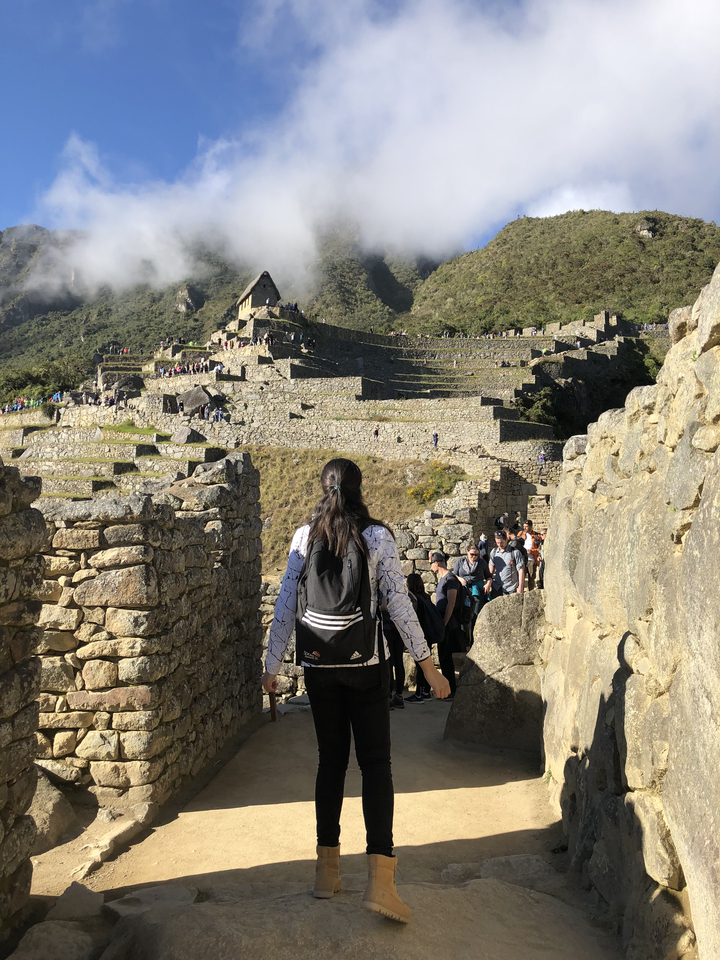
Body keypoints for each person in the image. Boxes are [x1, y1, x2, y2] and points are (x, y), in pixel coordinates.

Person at [262, 459, 449, 923]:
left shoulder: (303, 538)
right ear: (361, 489)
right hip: (366, 665)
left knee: (330, 763)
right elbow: (399, 605)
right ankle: (381, 884)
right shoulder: (377, 538)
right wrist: (428, 667)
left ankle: (327, 874)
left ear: (322, 489)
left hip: (318, 666)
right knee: (375, 766)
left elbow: (287, 601)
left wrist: (270, 665)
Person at [428, 551, 465, 698]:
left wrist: (444, 623)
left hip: (449, 625)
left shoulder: (450, 580)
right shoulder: (445, 579)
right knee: (444, 657)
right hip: (445, 624)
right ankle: (448, 690)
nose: (430, 566)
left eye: (431, 563)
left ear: (436, 563)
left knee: (446, 657)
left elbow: (451, 603)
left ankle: (450, 691)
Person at [403, 573, 443, 703]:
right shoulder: (425, 597)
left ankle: (419, 694)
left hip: (420, 635)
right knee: (427, 663)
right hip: (429, 635)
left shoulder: (415, 600)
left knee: (421, 665)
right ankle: (426, 691)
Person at [453, 544, 492, 645]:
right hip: (463, 591)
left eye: (476, 555)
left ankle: (475, 641)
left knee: (475, 615)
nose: (474, 557)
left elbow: (488, 576)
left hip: (476, 591)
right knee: (463, 615)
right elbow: (454, 575)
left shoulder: (482, 562)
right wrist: (460, 579)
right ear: (467, 552)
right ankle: (464, 641)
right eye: (472, 554)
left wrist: (488, 584)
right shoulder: (460, 562)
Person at [488, 531, 525, 597]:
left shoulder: (515, 552)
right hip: (497, 588)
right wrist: (488, 584)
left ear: (506, 540)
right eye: (497, 543)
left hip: (510, 589)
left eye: (501, 542)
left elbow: (521, 570)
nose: (499, 545)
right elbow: (491, 570)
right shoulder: (493, 552)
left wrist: (520, 587)